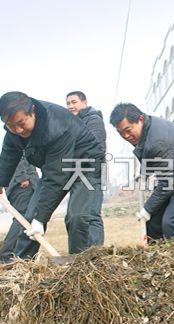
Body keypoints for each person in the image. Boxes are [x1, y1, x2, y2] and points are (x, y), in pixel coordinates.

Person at [0, 91, 104, 259]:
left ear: (32, 111)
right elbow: (9, 153)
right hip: (56, 167)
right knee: (29, 219)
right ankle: (21, 266)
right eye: (11, 126)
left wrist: (41, 219)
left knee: (78, 217)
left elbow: (56, 177)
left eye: (21, 123)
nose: (18, 130)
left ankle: (81, 266)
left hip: (86, 165)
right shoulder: (14, 129)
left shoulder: (56, 126)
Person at [109, 102, 174, 241]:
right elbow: (147, 151)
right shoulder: (146, 130)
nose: (126, 136)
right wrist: (144, 172)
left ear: (140, 119)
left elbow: (168, 181)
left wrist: (147, 209)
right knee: (153, 223)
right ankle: (159, 258)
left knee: (171, 223)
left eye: (128, 130)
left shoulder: (158, 140)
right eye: (120, 133)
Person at [65, 90, 106, 245]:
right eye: (68, 103)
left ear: (84, 102)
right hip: (78, 175)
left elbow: (96, 149)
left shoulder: (93, 120)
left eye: (74, 102)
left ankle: (93, 253)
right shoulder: (74, 122)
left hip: (91, 173)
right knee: (80, 215)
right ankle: (86, 253)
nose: (70, 106)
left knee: (89, 215)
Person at [0, 157, 39, 263]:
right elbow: (17, 156)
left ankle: (25, 255)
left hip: (26, 183)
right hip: (22, 185)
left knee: (28, 218)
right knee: (22, 219)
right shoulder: (22, 141)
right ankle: (6, 255)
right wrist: (22, 177)